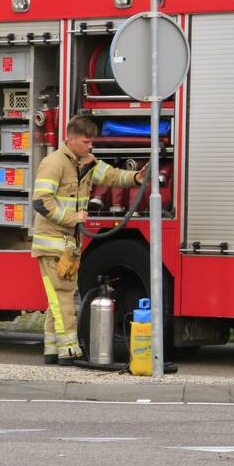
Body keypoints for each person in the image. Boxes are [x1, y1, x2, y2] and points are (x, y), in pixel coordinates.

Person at [31, 115, 147, 365]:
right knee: (63, 297)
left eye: (91, 142)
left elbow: (110, 176)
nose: (90, 146)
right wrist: (73, 217)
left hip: (68, 245)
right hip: (52, 243)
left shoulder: (85, 162)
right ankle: (69, 351)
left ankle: (52, 350)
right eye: (86, 141)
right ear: (70, 139)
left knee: (59, 297)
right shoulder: (53, 164)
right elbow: (41, 201)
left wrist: (135, 178)